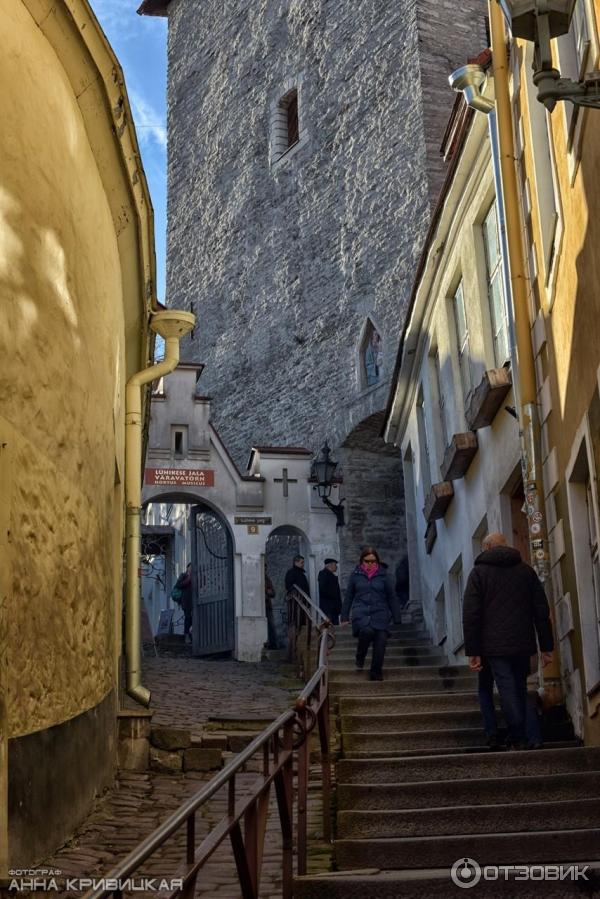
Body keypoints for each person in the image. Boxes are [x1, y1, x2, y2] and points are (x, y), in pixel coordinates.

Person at [463, 532, 554, 750]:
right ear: (506, 546)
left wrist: (473, 651)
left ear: (486, 548)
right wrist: (547, 647)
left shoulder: (478, 574)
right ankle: (534, 737)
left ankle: (519, 737)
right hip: (523, 641)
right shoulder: (526, 572)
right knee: (520, 688)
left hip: (493, 645)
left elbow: (471, 615)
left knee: (507, 689)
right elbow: (541, 611)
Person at [340, 546, 402, 681]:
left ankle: (376, 673)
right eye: (367, 561)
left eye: (373, 561)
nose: (370, 564)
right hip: (361, 613)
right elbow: (349, 596)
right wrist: (344, 617)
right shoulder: (355, 575)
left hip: (380, 613)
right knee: (367, 632)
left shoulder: (384, 575)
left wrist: (397, 617)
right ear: (362, 561)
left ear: (377, 561)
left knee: (381, 644)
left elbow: (392, 596)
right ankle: (360, 657)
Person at [318, 558, 342, 624]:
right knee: (328, 627)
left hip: (334, 608)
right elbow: (323, 589)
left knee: (334, 626)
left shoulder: (331, 575)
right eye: (335, 565)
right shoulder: (323, 574)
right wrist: (333, 596)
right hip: (328, 607)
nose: (336, 567)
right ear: (330, 565)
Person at [174, 562, 193, 643]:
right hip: (186, 601)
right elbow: (178, 585)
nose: (192, 569)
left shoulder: (197, 575)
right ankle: (187, 635)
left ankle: (192, 634)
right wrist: (188, 579)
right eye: (190, 567)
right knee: (188, 618)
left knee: (194, 618)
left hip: (195, 601)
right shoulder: (183, 575)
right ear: (187, 568)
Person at [265, 570, 279, 649]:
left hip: (267, 605)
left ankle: (273, 644)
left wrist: (269, 592)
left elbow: (273, 592)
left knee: (271, 625)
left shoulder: (267, 579)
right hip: (262, 605)